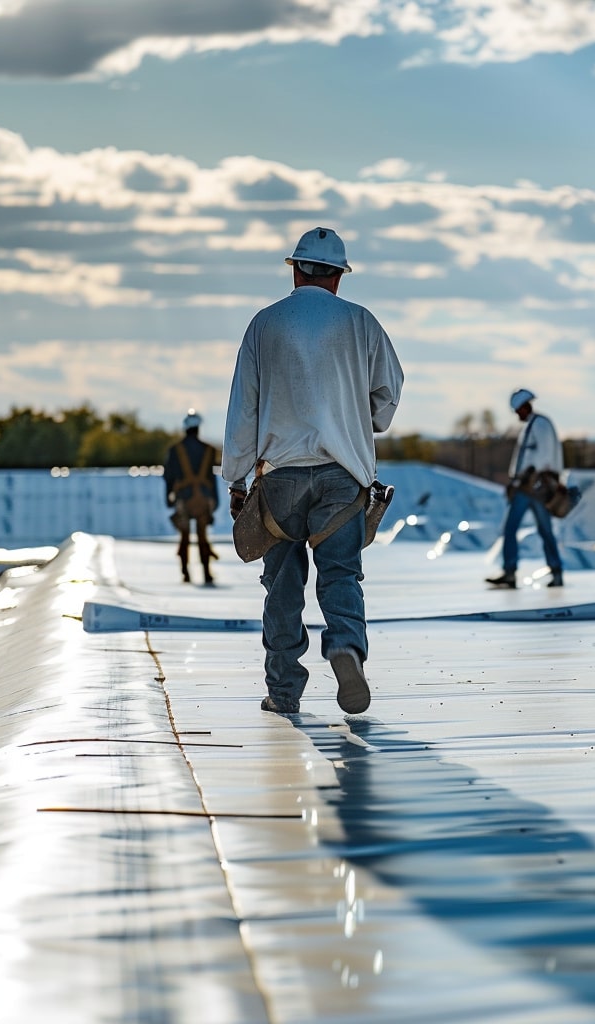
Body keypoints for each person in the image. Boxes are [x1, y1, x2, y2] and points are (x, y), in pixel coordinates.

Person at [223, 227, 404, 716]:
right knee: (341, 576)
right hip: (342, 478)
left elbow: (245, 407)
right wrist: (360, 421)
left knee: (282, 588)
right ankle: (345, 647)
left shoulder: (265, 324)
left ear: (295, 268)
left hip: (279, 477)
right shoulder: (362, 323)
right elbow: (389, 392)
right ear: (339, 277)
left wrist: (237, 479)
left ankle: (283, 693)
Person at [486, 388, 565, 589]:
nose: (517, 415)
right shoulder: (533, 425)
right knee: (541, 530)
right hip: (529, 487)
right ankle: (552, 572)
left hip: (533, 488)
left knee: (519, 528)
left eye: (517, 410)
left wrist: (521, 480)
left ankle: (515, 572)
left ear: (524, 406)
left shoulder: (541, 425)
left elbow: (544, 459)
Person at [164, 409, 219, 585]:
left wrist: (168, 498)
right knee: (203, 537)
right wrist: (214, 501)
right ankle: (206, 573)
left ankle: (186, 573)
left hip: (183, 499)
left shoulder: (175, 450)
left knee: (184, 537)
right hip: (203, 499)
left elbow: (169, 477)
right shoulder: (209, 450)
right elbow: (212, 479)